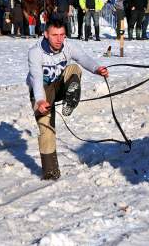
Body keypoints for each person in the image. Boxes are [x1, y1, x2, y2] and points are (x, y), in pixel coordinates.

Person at [27, 18, 108, 180]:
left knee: (74, 68)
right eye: (54, 35)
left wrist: (97, 69)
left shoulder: (68, 46)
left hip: (61, 85)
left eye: (62, 35)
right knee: (46, 127)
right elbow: (36, 78)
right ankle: (50, 171)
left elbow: (83, 58)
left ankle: (71, 98)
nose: (59, 39)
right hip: (41, 90)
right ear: (45, 34)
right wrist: (40, 101)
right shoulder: (35, 52)